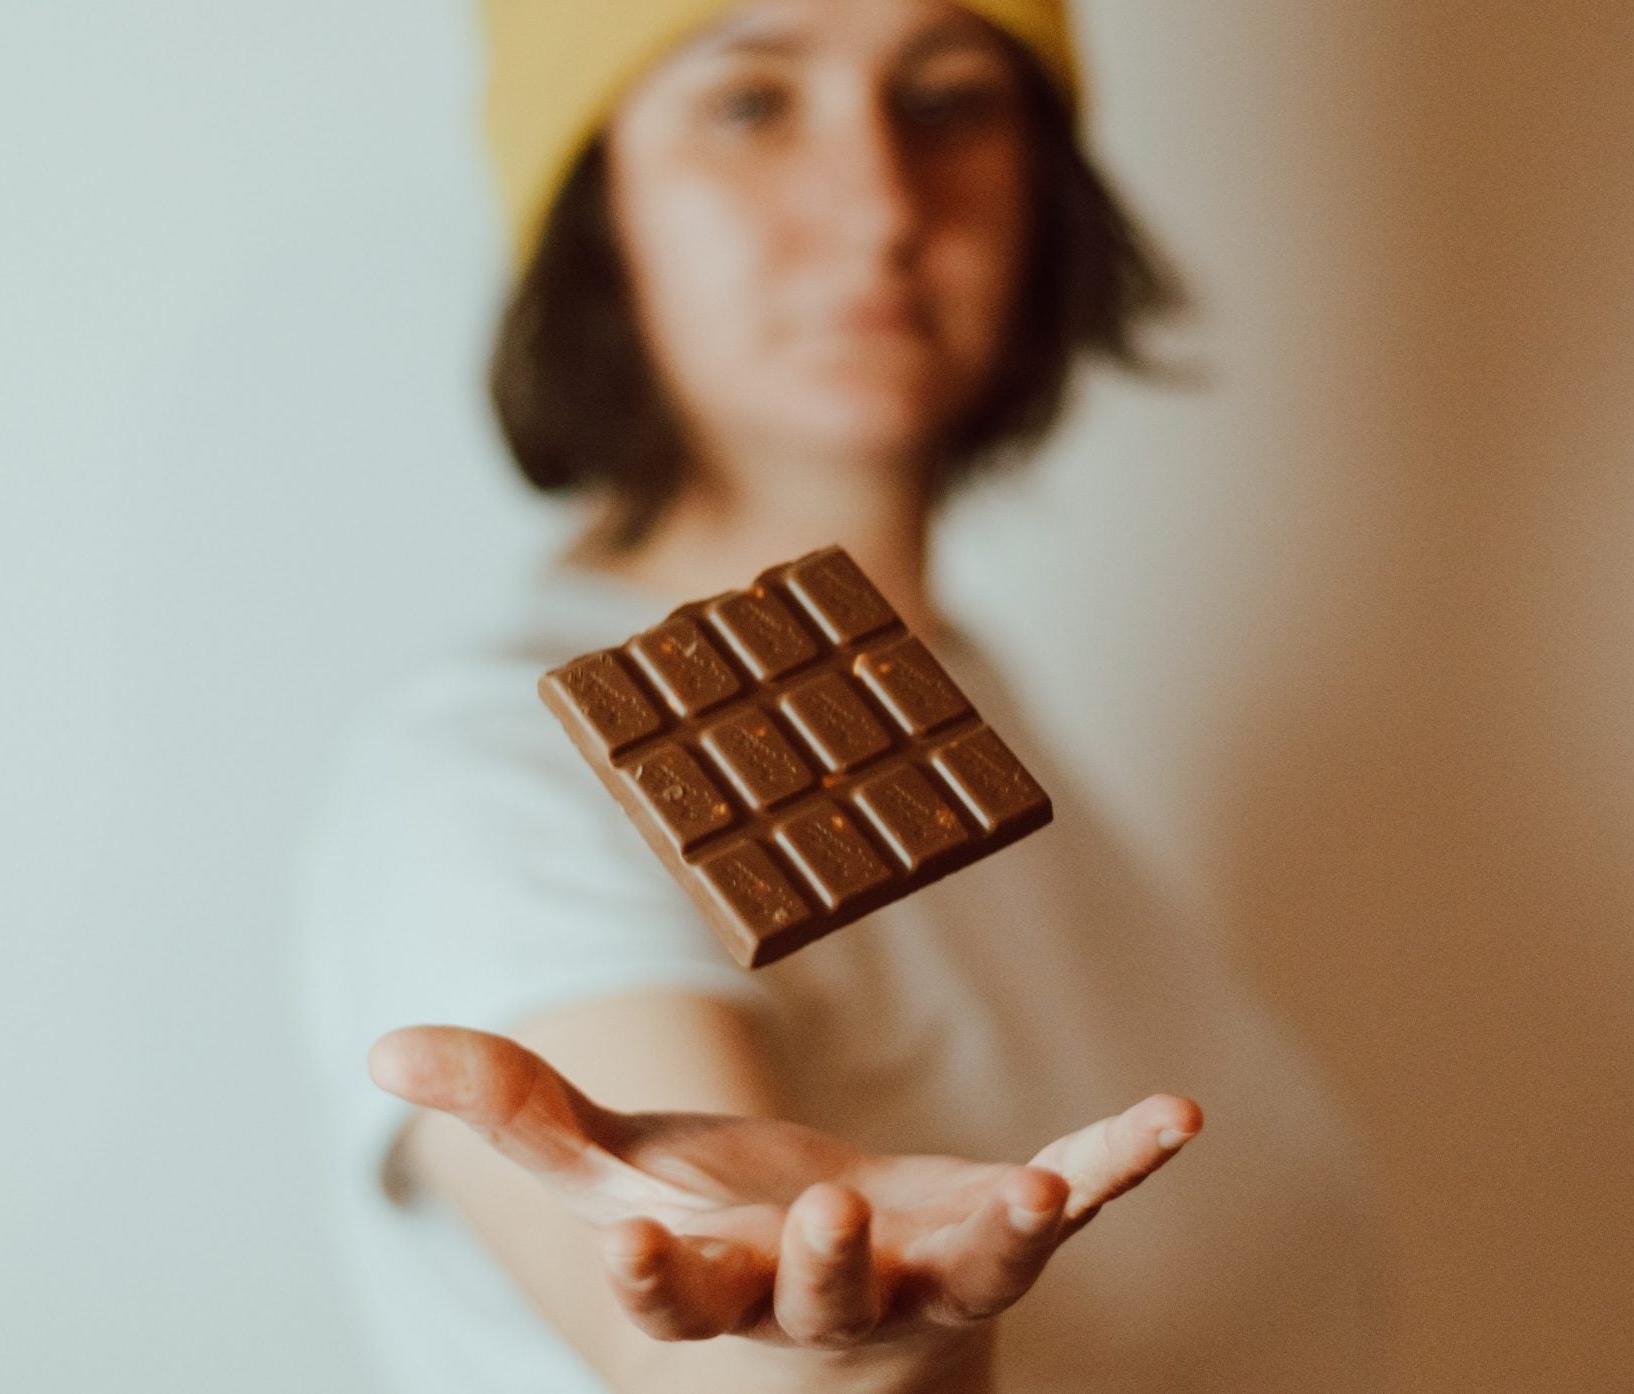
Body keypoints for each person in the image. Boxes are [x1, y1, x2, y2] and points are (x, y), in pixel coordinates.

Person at [298, 1, 1389, 1389]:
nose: (878, 203)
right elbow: (731, 1360)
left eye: (947, 101)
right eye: (751, 105)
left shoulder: (962, 693)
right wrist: (865, 1343)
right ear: (595, 199)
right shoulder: (489, 779)